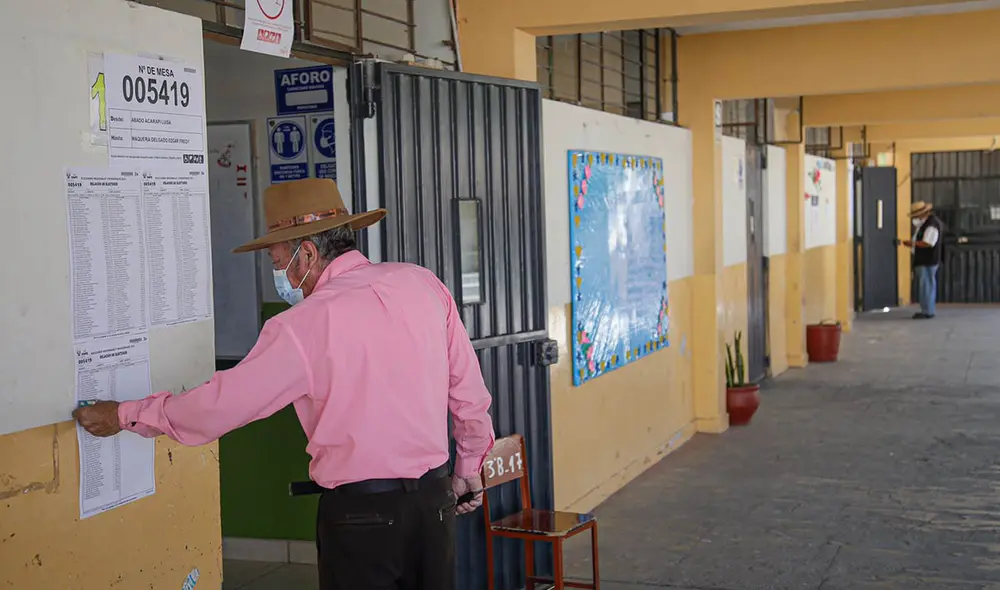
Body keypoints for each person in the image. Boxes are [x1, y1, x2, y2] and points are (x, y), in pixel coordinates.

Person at [73, 178, 495, 590]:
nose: (282, 276)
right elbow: (468, 393)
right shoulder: (423, 284)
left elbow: (220, 405)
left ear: (307, 252)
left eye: (279, 263)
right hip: (435, 503)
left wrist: (127, 414)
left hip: (362, 517)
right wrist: (468, 468)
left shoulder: (302, 326)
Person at [901, 200, 943, 320]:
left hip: (927, 260)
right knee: (926, 285)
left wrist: (912, 243)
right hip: (925, 259)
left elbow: (928, 243)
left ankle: (927, 311)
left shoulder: (931, 224)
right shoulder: (927, 224)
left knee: (926, 285)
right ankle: (926, 309)